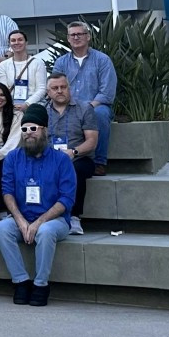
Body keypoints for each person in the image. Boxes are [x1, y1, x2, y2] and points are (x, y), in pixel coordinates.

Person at [0, 104, 75, 306]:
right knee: (1, 228)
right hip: (22, 217)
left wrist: (39, 222)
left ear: (44, 130)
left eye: (33, 128)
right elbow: (8, 192)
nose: (28, 133)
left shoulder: (61, 160)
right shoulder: (12, 158)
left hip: (54, 220)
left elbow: (66, 199)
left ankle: (40, 284)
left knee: (46, 231)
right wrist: (20, 221)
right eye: (24, 129)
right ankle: (21, 281)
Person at [52, 21, 118, 175]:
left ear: (88, 36)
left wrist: (89, 107)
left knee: (100, 114)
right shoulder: (61, 62)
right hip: (68, 105)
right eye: (72, 35)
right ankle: (52, 159)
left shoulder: (102, 60)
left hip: (95, 105)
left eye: (79, 34)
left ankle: (99, 162)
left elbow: (107, 92)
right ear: (68, 38)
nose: (76, 37)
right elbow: (54, 86)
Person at [42, 73, 98, 235]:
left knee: (75, 170)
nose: (60, 91)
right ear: (48, 92)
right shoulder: (43, 111)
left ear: (69, 88)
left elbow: (92, 141)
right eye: (55, 88)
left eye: (63, 87)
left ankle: (74, 217)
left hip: (79, 157)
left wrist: (73, 152)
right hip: (50, 158)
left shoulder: (84, 109)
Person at [0, 30, 47, 112]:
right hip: (11, 107)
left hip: (34, 106)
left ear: (26, 42)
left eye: (20, 39)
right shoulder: (3, 65)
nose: (16, 42)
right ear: (9, 44)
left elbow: (42, 89)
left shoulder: (38, 63)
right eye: (13, 40)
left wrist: (27, 104)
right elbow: (3, 89)